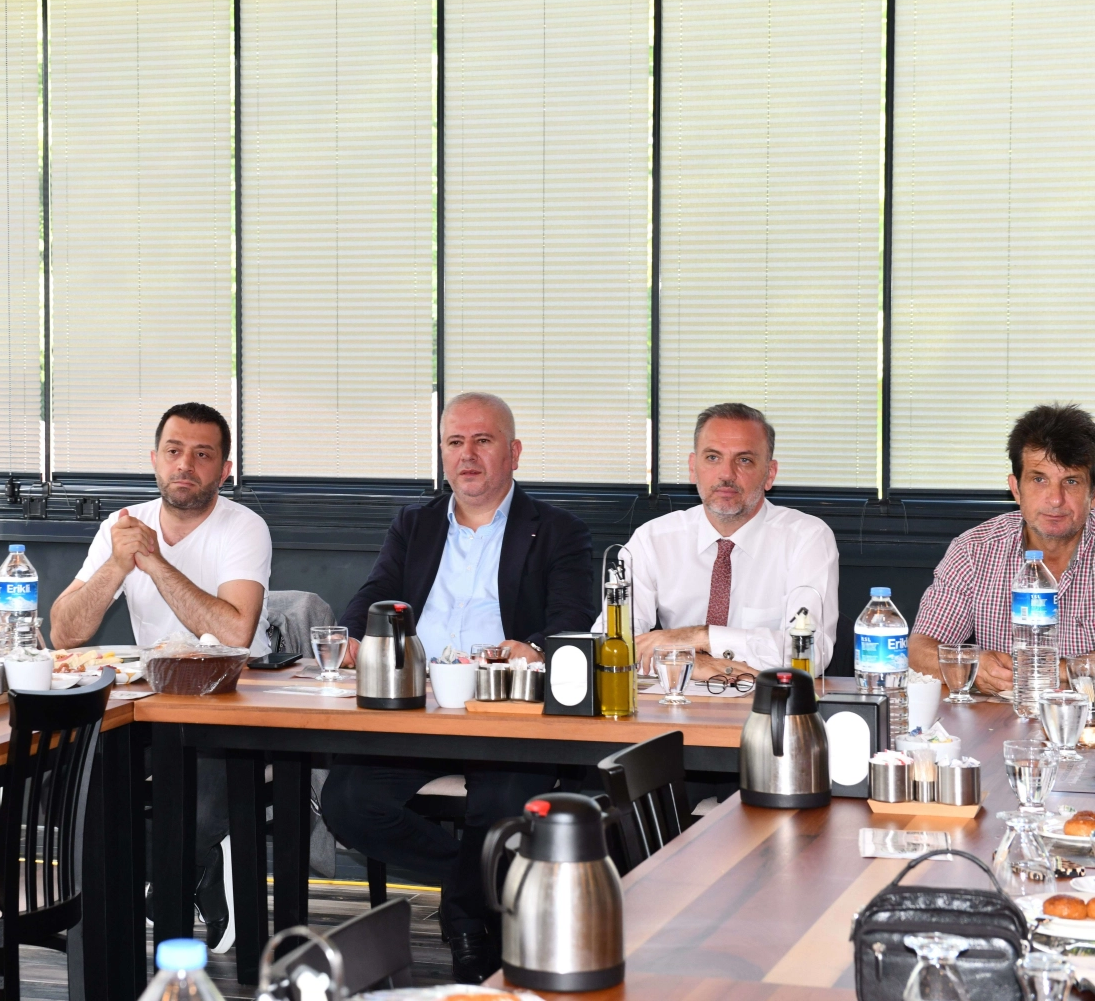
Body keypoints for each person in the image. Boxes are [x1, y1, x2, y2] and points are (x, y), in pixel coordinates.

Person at [319, 392, 594, 984]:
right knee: (348, 802)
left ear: (514, 452)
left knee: (504, 803)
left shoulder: (558, 531)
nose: (467, 455)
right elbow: (375, 594)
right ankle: (476, 887)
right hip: (417, 705)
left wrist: (534, 648)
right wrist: (358, 635)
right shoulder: (415, 524)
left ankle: (471, 931)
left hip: (505, 711)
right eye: (454, 442)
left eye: (482, 441)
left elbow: (572, 622)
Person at [50, 401, 272, 949]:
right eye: (174, 451)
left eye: (203, 455)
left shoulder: (244, 527)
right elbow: (63, 634)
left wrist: (154, 562)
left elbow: (235, 633)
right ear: (154, 459)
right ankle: (190, 868)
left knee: (198, 811)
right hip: (149, 702)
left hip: (235, 701)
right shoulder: (121, 527)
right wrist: (116, 564)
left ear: (225, 470)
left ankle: (184, 868)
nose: (185, 465)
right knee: (77, 793)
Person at [615, 403, 839, 681]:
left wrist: (701, 637)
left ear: (769, 474)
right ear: (692, 468)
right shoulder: (652, 540)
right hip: (676, 695)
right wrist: (688, 661)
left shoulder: (806, 538)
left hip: (766, 699)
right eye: (712, 457)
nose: (726, 474)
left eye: (744, 460)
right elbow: (613, 644)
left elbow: (809, 652)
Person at [909, 404, 1095, 693]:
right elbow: (918, 651)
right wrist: (972, 666)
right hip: (1002, 717)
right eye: (1039, 479)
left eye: (1071, 481)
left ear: (1092, 494)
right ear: (1016, 489)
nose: (1055, 499)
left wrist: (1055, 670)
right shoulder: (974, 550)